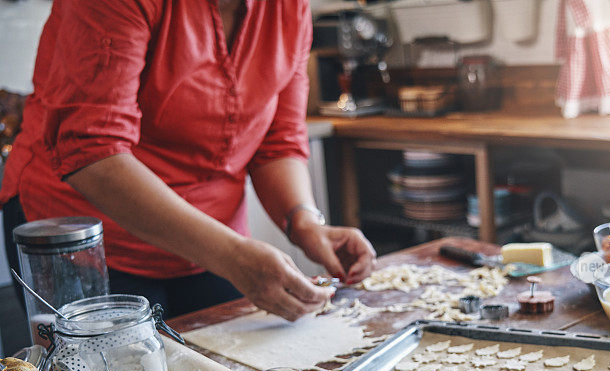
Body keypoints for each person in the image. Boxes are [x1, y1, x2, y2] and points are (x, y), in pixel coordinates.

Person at [0, 0, 376, 320]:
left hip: (210, 243)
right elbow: (94, 150)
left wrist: (305, 223)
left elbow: (278, 140)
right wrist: (231, 255)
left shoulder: (287, 8)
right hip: (84, 237)